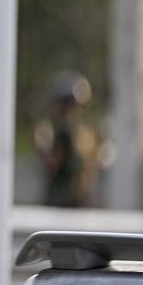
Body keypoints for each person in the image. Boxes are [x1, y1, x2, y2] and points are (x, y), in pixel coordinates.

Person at [34, 71, 99, 208]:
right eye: (67, 105)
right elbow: (50, 163)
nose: (71, 112)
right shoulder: (50, 130)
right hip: (57, 203)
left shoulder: (85, 133)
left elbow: (90, 168)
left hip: (80, 204)